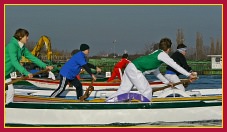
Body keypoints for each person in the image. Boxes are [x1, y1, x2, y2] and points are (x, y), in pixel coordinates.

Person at [106, 37, 197, 102]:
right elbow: (175, 65)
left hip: (130, 66)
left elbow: (156, 72)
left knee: (123, 91)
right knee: (147, 91)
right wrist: (189, 74)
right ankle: (143, 109)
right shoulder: (163, 55)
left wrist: (167, 82)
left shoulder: (156, 53)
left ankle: (108, 102)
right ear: (168, 49)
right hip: (135, 69)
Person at [5, 28, 53, 104]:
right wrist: (25, 72)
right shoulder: (12, 46)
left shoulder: (22, 48)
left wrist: (45, 66)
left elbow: (33, 58)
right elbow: (14, 62)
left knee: (11, 92)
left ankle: (8, 108)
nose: (28, 38)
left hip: (6, 75)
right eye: (26, 36)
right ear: (20, 37)